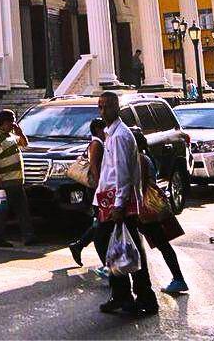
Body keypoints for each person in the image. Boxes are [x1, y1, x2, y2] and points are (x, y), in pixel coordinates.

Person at [92, 91, 158, 316]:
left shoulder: (120, 136)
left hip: (120, 202)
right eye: (100, 107)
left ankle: (143, 296)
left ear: (116, 108)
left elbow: (122, 174)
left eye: (107, 107)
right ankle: (123, 295)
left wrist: (119, 205)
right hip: (111, 200)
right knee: (116, 247)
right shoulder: (111, 134)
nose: (103, 111)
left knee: (125, 248)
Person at [131, 128, 188, 295]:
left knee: (157, 243)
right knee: (160, 244)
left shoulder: (139, 159)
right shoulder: (145, 157)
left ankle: (178, 278)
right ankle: (178, 278)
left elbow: (138, 186)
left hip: (145, 209)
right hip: (149, 208)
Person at [0, 109, 36, 248]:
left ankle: (28, 236)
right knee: (2, 210)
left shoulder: (10, 136)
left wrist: (19, 131)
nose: (13, 123)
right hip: (4, 181)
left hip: (15, 180)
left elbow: (24, 143)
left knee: (21, 209)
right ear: (5, 122)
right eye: (12, 121)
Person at [70, 117, 106, 266]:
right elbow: (94, 167)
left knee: (101, 222)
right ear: (98, 129)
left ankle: (79, 245)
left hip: (97, 188)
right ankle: (80, 246)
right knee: (101, 222)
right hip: (96, 188)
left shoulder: (97, 143)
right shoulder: (96, 144)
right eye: (104, 128)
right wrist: (99, 186)